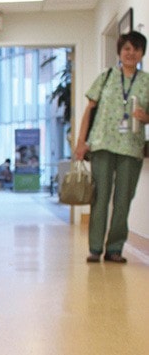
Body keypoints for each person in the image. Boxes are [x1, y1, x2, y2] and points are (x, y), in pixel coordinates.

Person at [74, 30, 149, 263]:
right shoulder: (106, 77)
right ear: (119, 51)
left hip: (131, 147)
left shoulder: (146, 82)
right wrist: (81, 142)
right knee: (100, 197)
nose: (131, 53)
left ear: (142, 53)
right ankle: (95, 248)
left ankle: (115, 248)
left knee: (123, 199)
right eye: (126, 48)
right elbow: (90, 110)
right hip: (102, 145)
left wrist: (144, 117)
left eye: (136, 49)